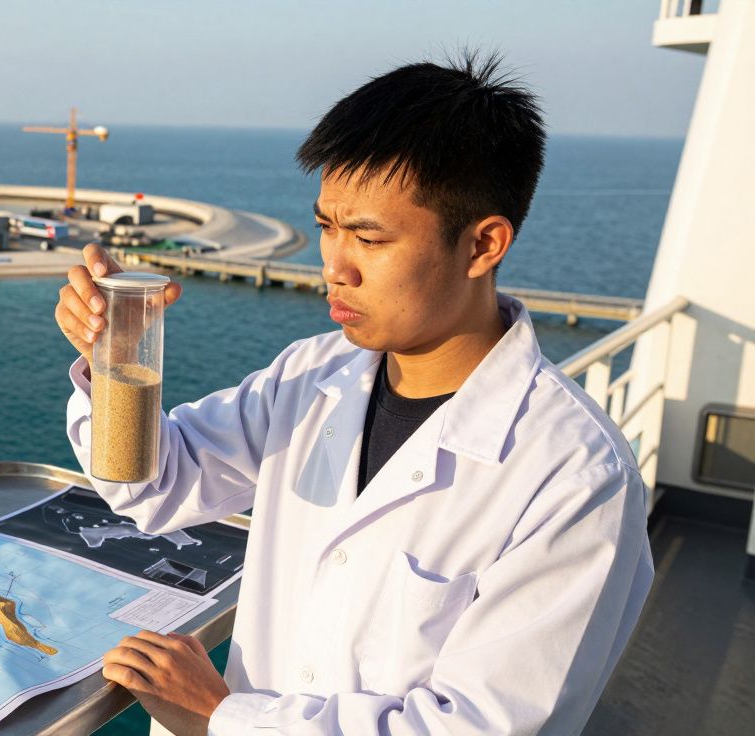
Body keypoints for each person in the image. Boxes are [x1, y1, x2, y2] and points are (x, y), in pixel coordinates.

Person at [53, 52, 653, 735]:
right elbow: (154, 486)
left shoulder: (575, 477)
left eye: (368, 236)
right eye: (326, 226)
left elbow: (480, 726)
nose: (332, 265)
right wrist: (116, 359)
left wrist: (222, 715)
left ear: (483, 244)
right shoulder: (311, 375)